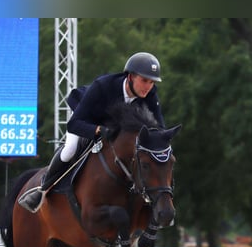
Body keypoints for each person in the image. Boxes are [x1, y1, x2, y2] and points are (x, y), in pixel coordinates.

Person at [18, 52, 166, 213]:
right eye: (144, 80)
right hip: (87, 119)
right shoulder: (103, 86)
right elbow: (74, 124)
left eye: (152, 82)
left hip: (115, 129)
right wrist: (98, 130)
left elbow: (159, 129)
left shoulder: (150, 94)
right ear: (130, 77)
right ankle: (43, 189)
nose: (148, 86)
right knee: (70, 150)